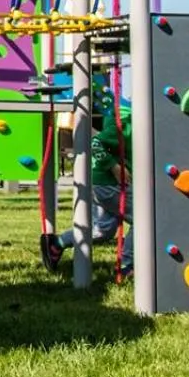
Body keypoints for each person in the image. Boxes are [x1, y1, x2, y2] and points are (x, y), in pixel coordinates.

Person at [40, 103, 133, 277]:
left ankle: (57, 243)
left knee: (103, 230)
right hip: (108, 185)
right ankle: (127, 265)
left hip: (100, 184)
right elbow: (96, 143)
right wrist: (114, 167)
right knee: (143, 220)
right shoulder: (126, 122)